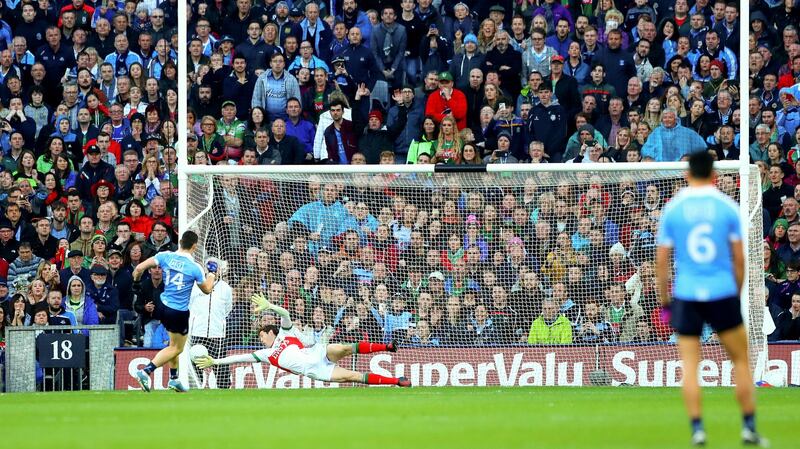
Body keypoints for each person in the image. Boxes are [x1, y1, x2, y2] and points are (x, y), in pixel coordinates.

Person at [655, 151, 767, 447]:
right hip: (722, 292)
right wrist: (736, 291)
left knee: (690, 365)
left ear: (687, 173)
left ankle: (697, 430)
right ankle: (748, 427)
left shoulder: (674, 208)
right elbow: (740, 259)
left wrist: (666, 301)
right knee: (741, 360)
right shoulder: (727, 207)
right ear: (714, 174)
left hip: (687, 294)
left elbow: (662, 263)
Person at [195, 292, 411, 387]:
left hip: (317, 352)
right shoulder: (265, 355)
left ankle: (387, 346)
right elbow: (238, 358)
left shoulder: (284, 334)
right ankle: (397, 382)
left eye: (262, 335)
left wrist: (270, 306)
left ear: (271, 332)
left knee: (345, 348)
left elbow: (285, 315)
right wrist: (215, 361)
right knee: (352, 376)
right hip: (317, 371)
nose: (261, 340)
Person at [133, 231, 217, 393]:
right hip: (178, 311)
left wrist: (136, 284)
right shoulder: (195, 267)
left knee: (174, 344)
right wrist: (212, 273)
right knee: (177, 348)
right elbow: (207, 289)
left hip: (163, 305)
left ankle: (173, 379)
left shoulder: (165, 256)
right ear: (194, 246)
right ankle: (145, 371)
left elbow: (138, 268)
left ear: (180, 243)